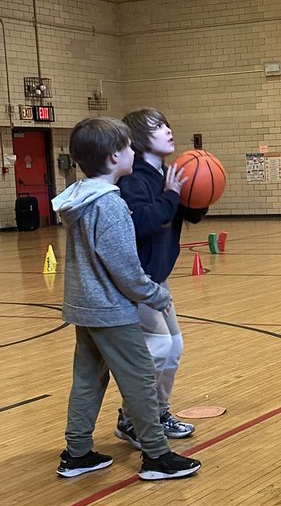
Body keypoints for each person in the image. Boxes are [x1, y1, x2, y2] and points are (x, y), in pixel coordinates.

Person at [51, 116, 202, 482]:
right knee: (139, 380)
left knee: (88, 380)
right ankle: (156, 456)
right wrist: (154, 294)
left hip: (85, 306)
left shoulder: (80, 197)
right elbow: (126, 269)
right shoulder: (110, 205)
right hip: (111, 310)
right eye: (128, 147)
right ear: (115, 157)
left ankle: (77, 453)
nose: (134, 151)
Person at [113, 108, 208, 449]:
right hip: (137, 281)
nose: (168, 130)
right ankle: (133, 418)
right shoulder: (133, 180)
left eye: (167, 124)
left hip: (159, 279)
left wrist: (200, 194)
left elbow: (189, 215)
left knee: (174, 347)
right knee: (159, 347)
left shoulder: (169, 173)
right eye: (158, 127)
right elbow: (142, 223)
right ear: (139, 139)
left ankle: (157, 411)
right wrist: (171, 195)